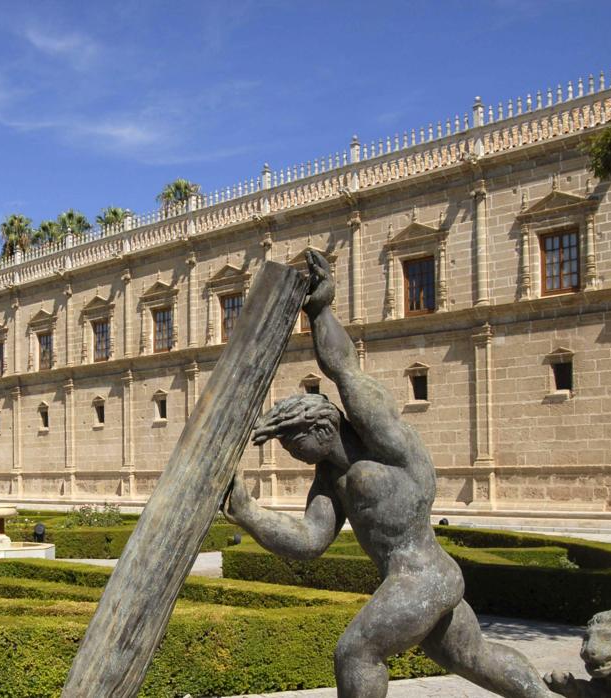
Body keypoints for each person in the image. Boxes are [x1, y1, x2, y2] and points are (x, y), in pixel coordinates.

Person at [224, 250, 556, 698]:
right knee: (472, 657)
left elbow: (344, 370)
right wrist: (248, 512)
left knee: (356, 652)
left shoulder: (383, 440)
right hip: (422, 578)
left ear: (323, 426)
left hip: (422, 575)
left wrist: (320, 310)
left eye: (294, 444)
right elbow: (308, 541)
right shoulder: (331, 480)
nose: (293, 456)